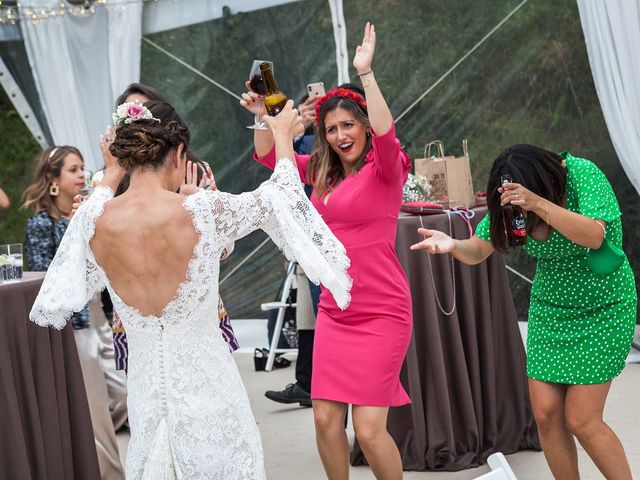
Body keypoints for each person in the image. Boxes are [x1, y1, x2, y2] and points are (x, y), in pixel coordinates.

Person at [30, 99, 351, 478]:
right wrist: (282, 137)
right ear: (179, 153)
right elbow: (280, 197)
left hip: (147, 398)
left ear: (125, 156)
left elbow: (57, 287)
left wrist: (112, 176)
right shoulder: (201, 212)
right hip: (211, 392)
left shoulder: (92, 220)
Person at [243, 23, 411, 479]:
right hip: (336, 310)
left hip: (382, 311)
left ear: (363, 127)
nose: (340, 135)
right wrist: (263, 115)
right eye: (331, 127)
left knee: (371, 430)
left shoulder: (386, 169)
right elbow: (268, 158)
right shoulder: (322, 171)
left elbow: (387, 132)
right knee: (323, 418)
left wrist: (366, 73)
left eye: (348, 125)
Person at [411, 144, 636, 480]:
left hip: (603, 307)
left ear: (547, 181)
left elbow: (594, 235)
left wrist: (537, 204)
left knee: (582, 419)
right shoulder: (511, 200)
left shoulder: (582, 175)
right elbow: (480, 247)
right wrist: (454, 245)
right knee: (545, 415)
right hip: (552, 309)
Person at [101, 83, 239, 372]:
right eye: (130, 116)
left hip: (192, 309)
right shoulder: (109, 179)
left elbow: (224, 249)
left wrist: (194, 207)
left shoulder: (195, 170)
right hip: (136, 313)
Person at [22, 146, 125, 480]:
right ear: (53, 179)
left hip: (103, 317)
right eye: (73, 169)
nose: (82, 174)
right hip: (75, 325)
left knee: (127, 394)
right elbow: (42, 275)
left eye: (83, 168)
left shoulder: (94, 211)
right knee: (95, 415)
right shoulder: (40, 224)